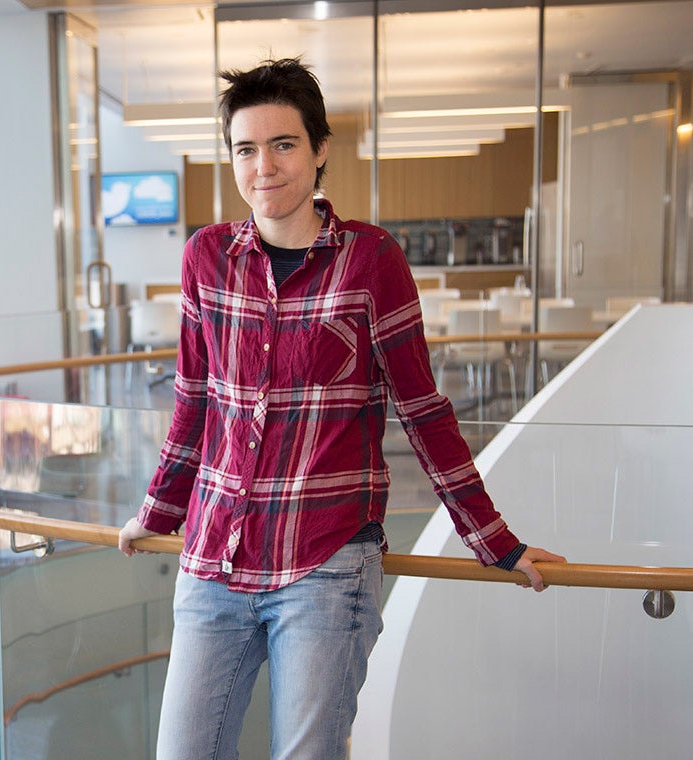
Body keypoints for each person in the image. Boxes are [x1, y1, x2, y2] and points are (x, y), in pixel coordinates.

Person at [117, 57, 565, 760]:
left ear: (320, 149)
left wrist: (493, 540)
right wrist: (158, 511)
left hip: (324, 561)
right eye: (245, 148)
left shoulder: (370, 260)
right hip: (215, 556)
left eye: (283, 144)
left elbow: (422, 410)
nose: (263, 166)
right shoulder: (207, 256)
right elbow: (194, 403)